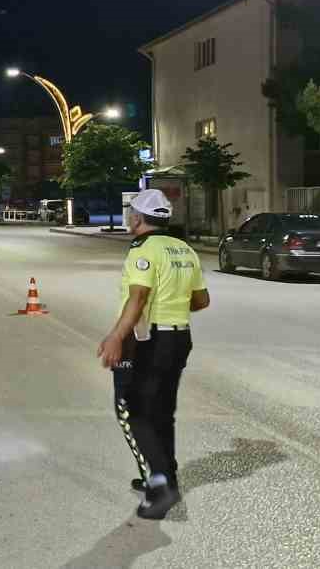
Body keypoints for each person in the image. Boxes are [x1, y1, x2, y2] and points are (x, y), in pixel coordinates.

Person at [96, 188, 209, 520]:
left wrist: (117, 336)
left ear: (137, 218)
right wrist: (172, 303)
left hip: (148, 339)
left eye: (132, 214)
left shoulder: (142, 250)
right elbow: (201, 301)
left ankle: (160, 486)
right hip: (179, 338)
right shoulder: (183, 248)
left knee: (133, 410)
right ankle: (165, 475)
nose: (130, 219)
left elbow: (139, 297)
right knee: (162, 411)